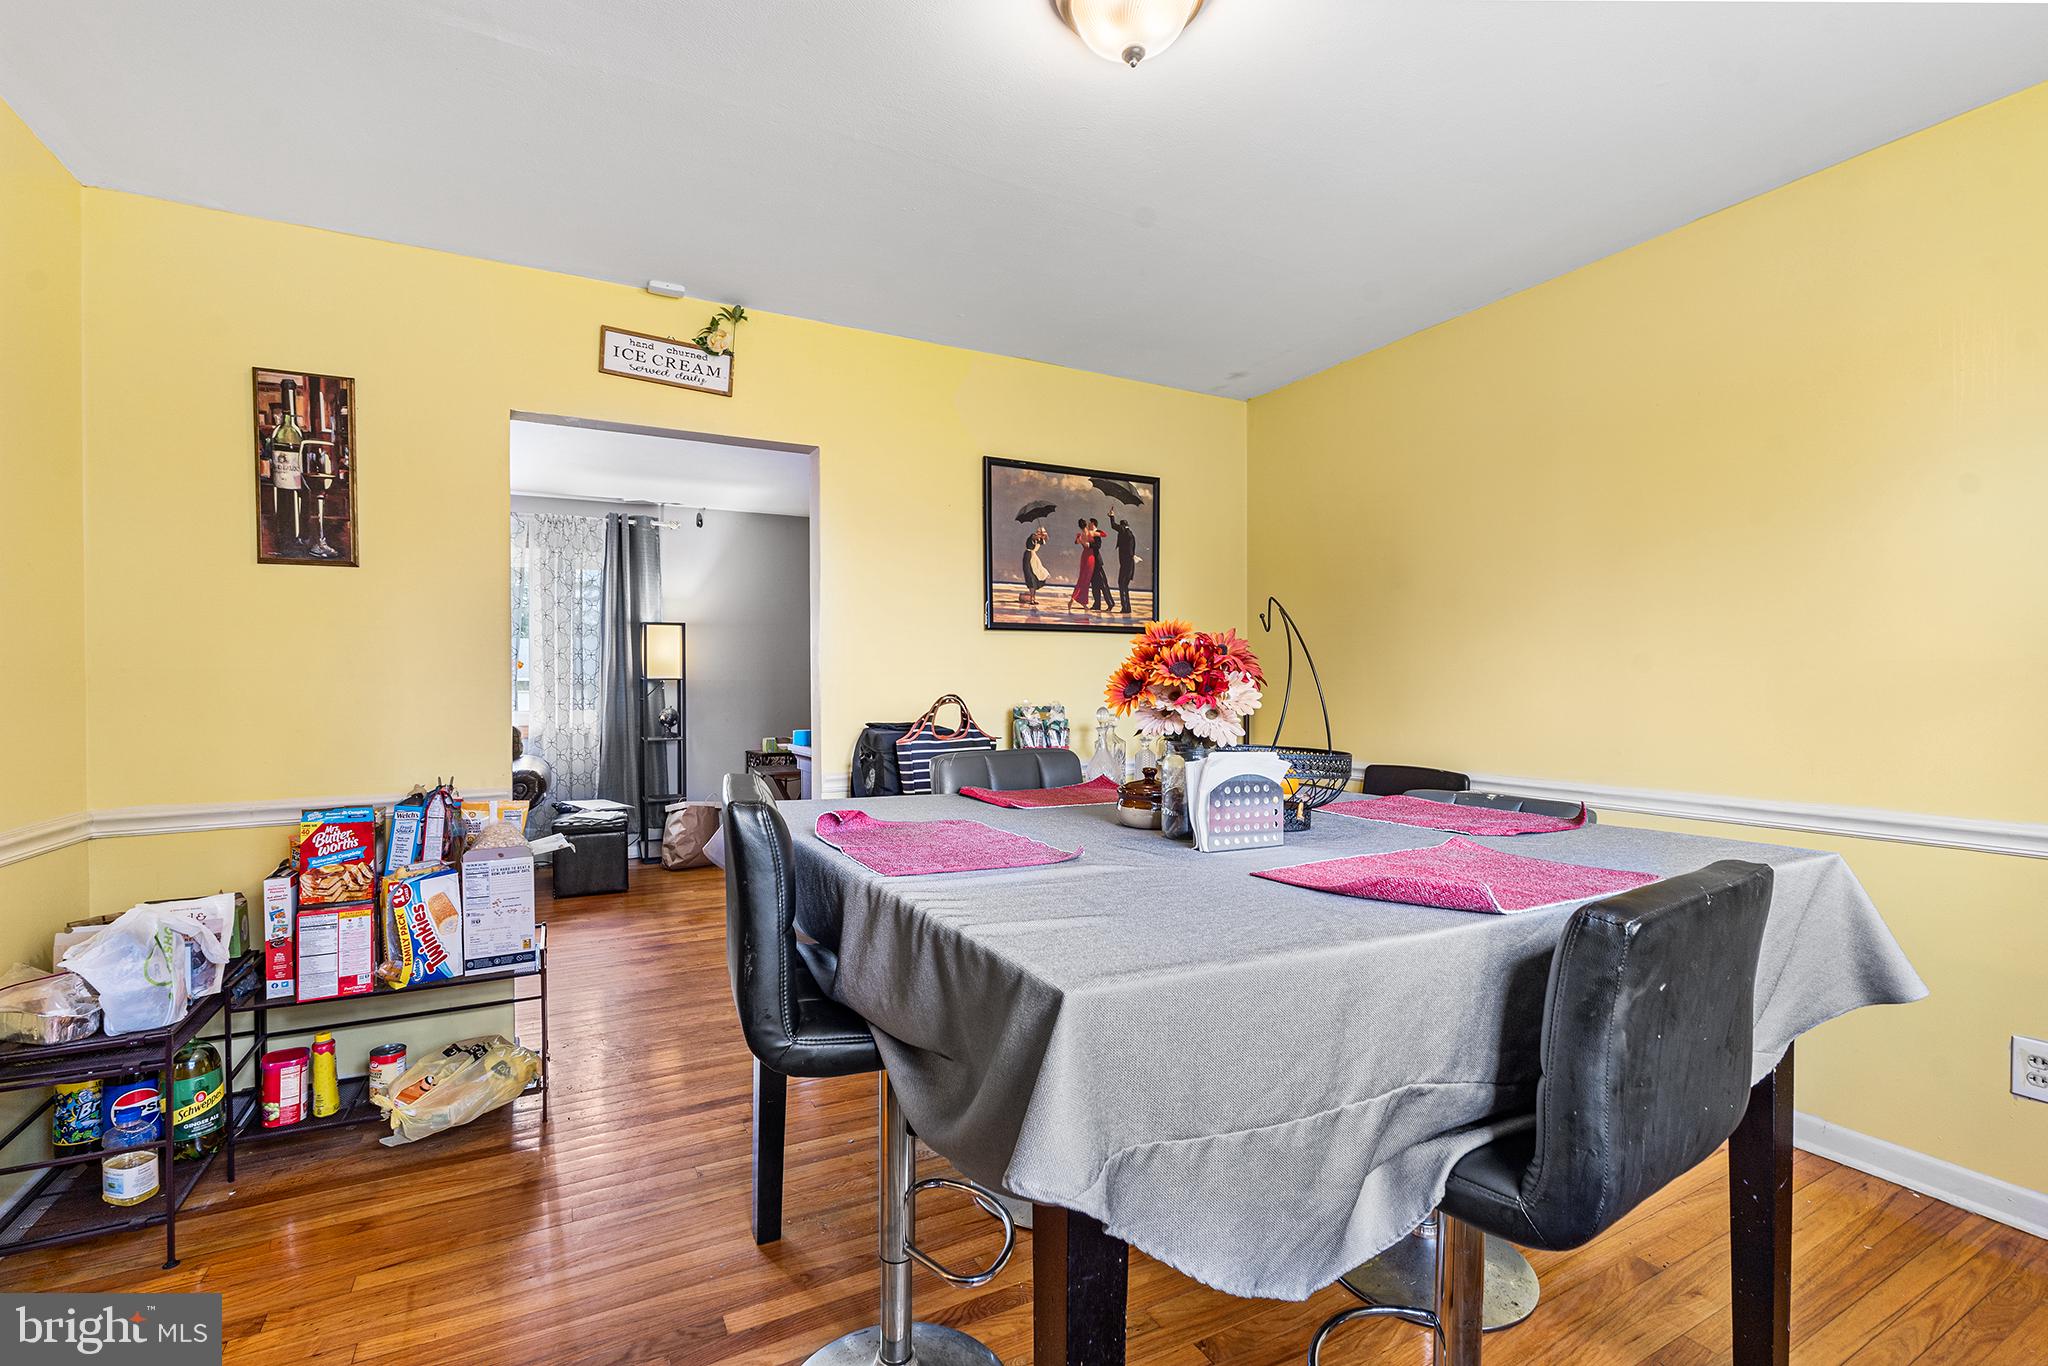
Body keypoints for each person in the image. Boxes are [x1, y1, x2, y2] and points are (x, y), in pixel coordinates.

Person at [1110, 510, 1138, 613]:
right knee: (1124, 585)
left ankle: (1125, 608)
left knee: (1121, 584)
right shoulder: (1131, 535)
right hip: (1129, 564)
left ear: (1122, 526)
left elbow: (1113, 526)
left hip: (1126, 564)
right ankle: (1127, 608)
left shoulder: (1124, 532)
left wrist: (1112, 516)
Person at [1070, 518, 1098, 612]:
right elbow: (1104, 534)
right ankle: (1082, 602)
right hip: (1090, 557)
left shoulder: (1081, 535)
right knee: (1085, 580)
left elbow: (1076, 542)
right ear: (1086, 525)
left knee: (1082, 578)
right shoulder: (1091, 533)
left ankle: (1074, 599)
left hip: (1084, 557)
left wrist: (1080, 540)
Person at [1086, 518, 1113, 611]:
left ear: (1093, 523)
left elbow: (1098, 546)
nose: (1088, 524)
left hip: (1097, 563)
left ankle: (1110, 603)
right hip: (1091, 563)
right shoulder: (1089, 533)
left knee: (1103, 584)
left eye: (1089, 523)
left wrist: (1089, 545)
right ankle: (1097, 604)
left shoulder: (1097, 533)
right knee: (1094, 585)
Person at [1020, 527, 1049, 606]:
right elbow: (1034, 537)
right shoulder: (1033, 536)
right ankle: (1032, 599)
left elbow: (1045, 540)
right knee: (1030, 577)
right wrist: (1040, 535)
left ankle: (1033, 598)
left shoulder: (1039, 539)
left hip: (1033, 558)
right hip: (1028, 558)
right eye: (1040, 532)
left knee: (1035, 578)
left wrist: (1045, 535)